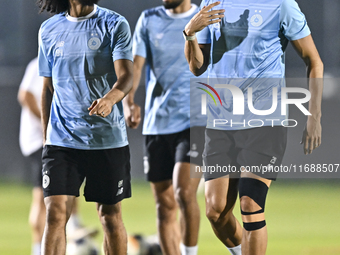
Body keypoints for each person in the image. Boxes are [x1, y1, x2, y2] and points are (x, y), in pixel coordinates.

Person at [184, 0, 323, 254]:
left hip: (265, 121)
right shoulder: (212, 2)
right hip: (221, 122)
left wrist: (314, 116)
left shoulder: (281, 4)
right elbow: (196, 67)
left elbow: (314, 61)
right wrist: (191, 33)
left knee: (250, 202)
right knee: (216, 211)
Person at [36, 0, 133, 254]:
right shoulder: (49, 29)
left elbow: (127, 76)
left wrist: (110, 99)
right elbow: (47, 88)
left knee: (109, 216)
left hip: (106, 138)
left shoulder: (114, 24)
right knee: (55, 214)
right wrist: (47, 138)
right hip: (61, 140)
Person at [124, 0, 206, 254]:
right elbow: (136, 65)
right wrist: (129, 102)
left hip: (196, 120)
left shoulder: (204, 19)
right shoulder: (149, 19)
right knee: (164, 204)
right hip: (158, 123)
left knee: (183, 193)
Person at [18, 57, 98, 255]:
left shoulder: (70, 64)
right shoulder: (39, 63)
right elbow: (25, 96)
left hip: (57, 140)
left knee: (69, 178)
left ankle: (74, 226)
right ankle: (39, 248)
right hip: (39, 141)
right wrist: (48, 123)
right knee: (43, 197)